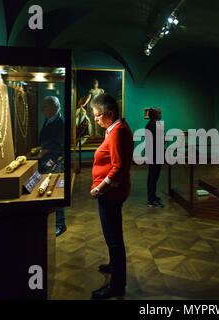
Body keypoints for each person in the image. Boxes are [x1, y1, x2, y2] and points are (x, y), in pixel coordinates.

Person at [90, 93, 134, 299]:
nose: (95, 120)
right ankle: (113, 265)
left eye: (98, 116)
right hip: (114, 192)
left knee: (114, 239)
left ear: (109, 113)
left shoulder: (117, 132)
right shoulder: (115, 129)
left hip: (111, 194)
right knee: (112, 236)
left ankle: (117, 285)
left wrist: (101, 188)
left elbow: (118, 168)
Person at [39, 96, 66, 237]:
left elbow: (60, 147)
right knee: (47, 190)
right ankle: (50, 222)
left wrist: (51, 163)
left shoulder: (60, 123)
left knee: (55, 191)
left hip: (53, 162)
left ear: (54, 108)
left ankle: (60, 224)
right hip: (46, 161)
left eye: (45, 106)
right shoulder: (49, 119)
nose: (42, 109)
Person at [145, 108, 164, 208]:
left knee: (153, 176)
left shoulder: (150, 124)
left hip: (153, 152)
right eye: (159, 113)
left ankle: (152, 196)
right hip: (155, 153)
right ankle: (151, 199)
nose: (161, 114)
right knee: (154, 176)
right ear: (155, 114)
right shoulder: (156, 124)